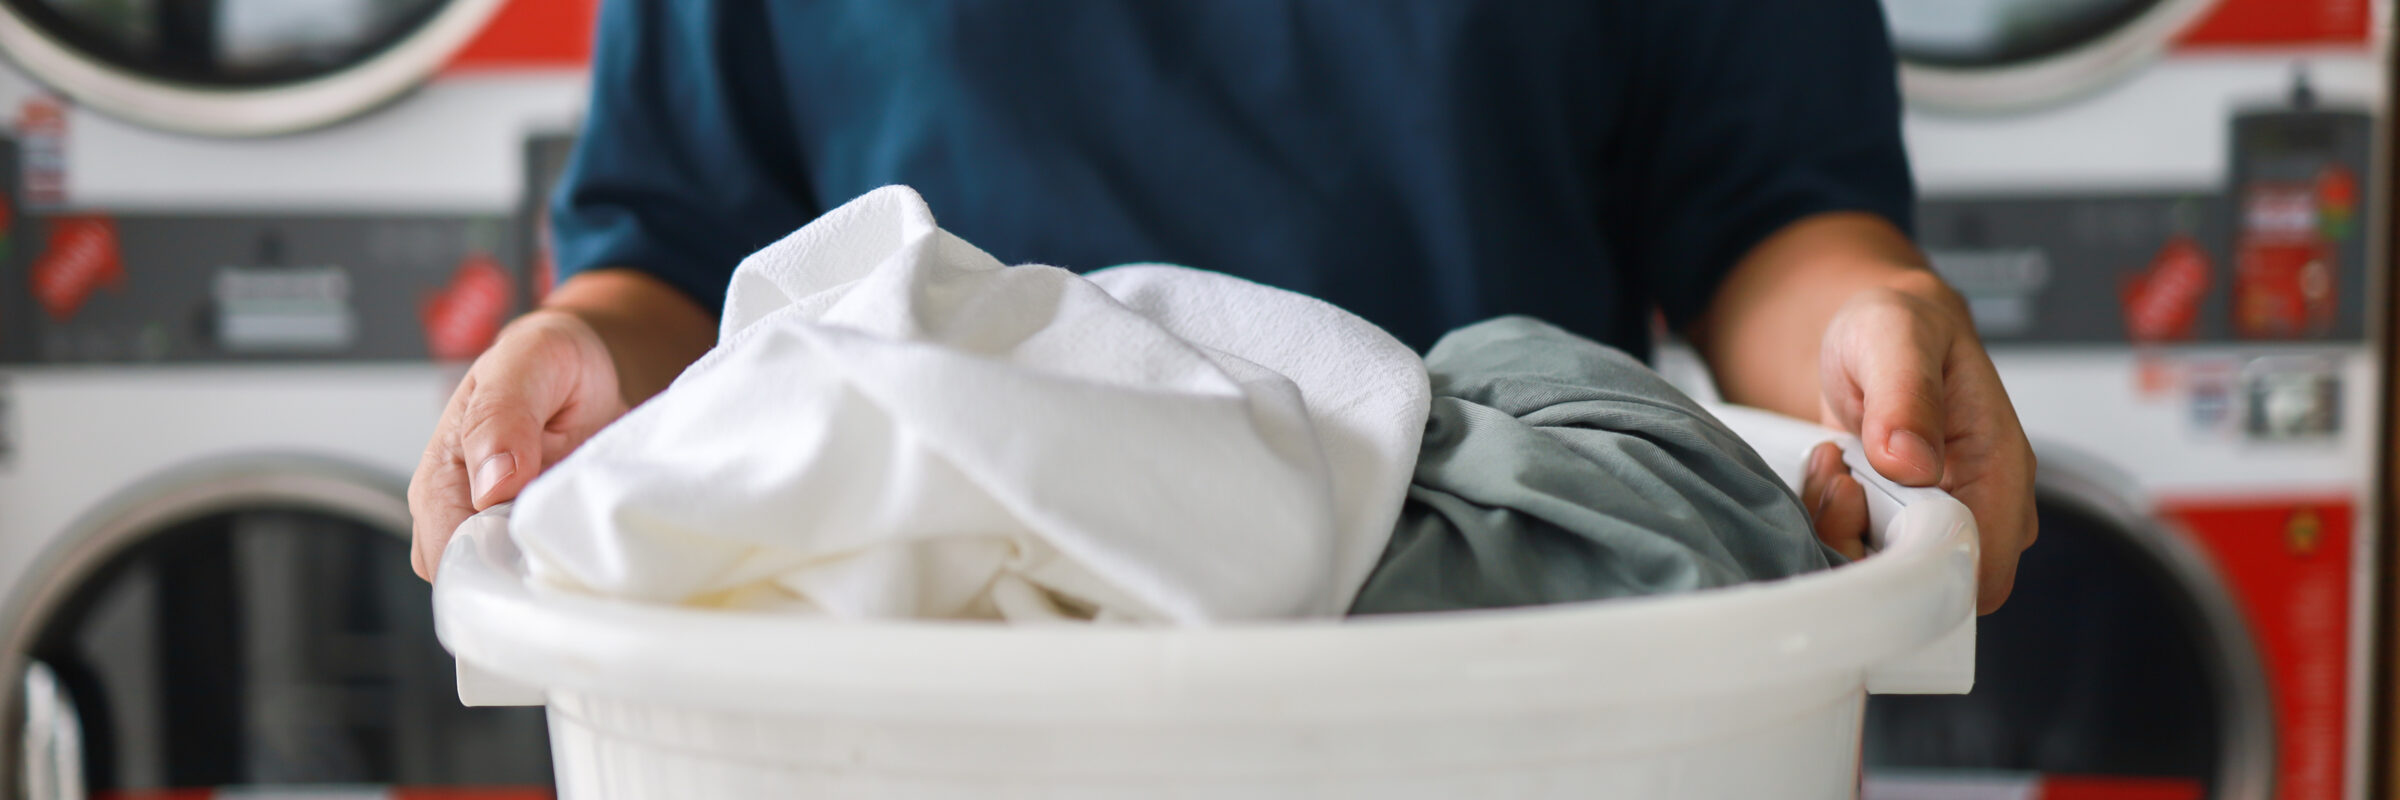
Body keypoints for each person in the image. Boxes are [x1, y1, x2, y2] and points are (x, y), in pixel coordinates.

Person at [409, 0, 2036, 614]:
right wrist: (580, 359)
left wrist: (1870, 325)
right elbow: (680, 260)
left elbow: (1762, 215)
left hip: (1492, 659)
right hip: (920, 698)